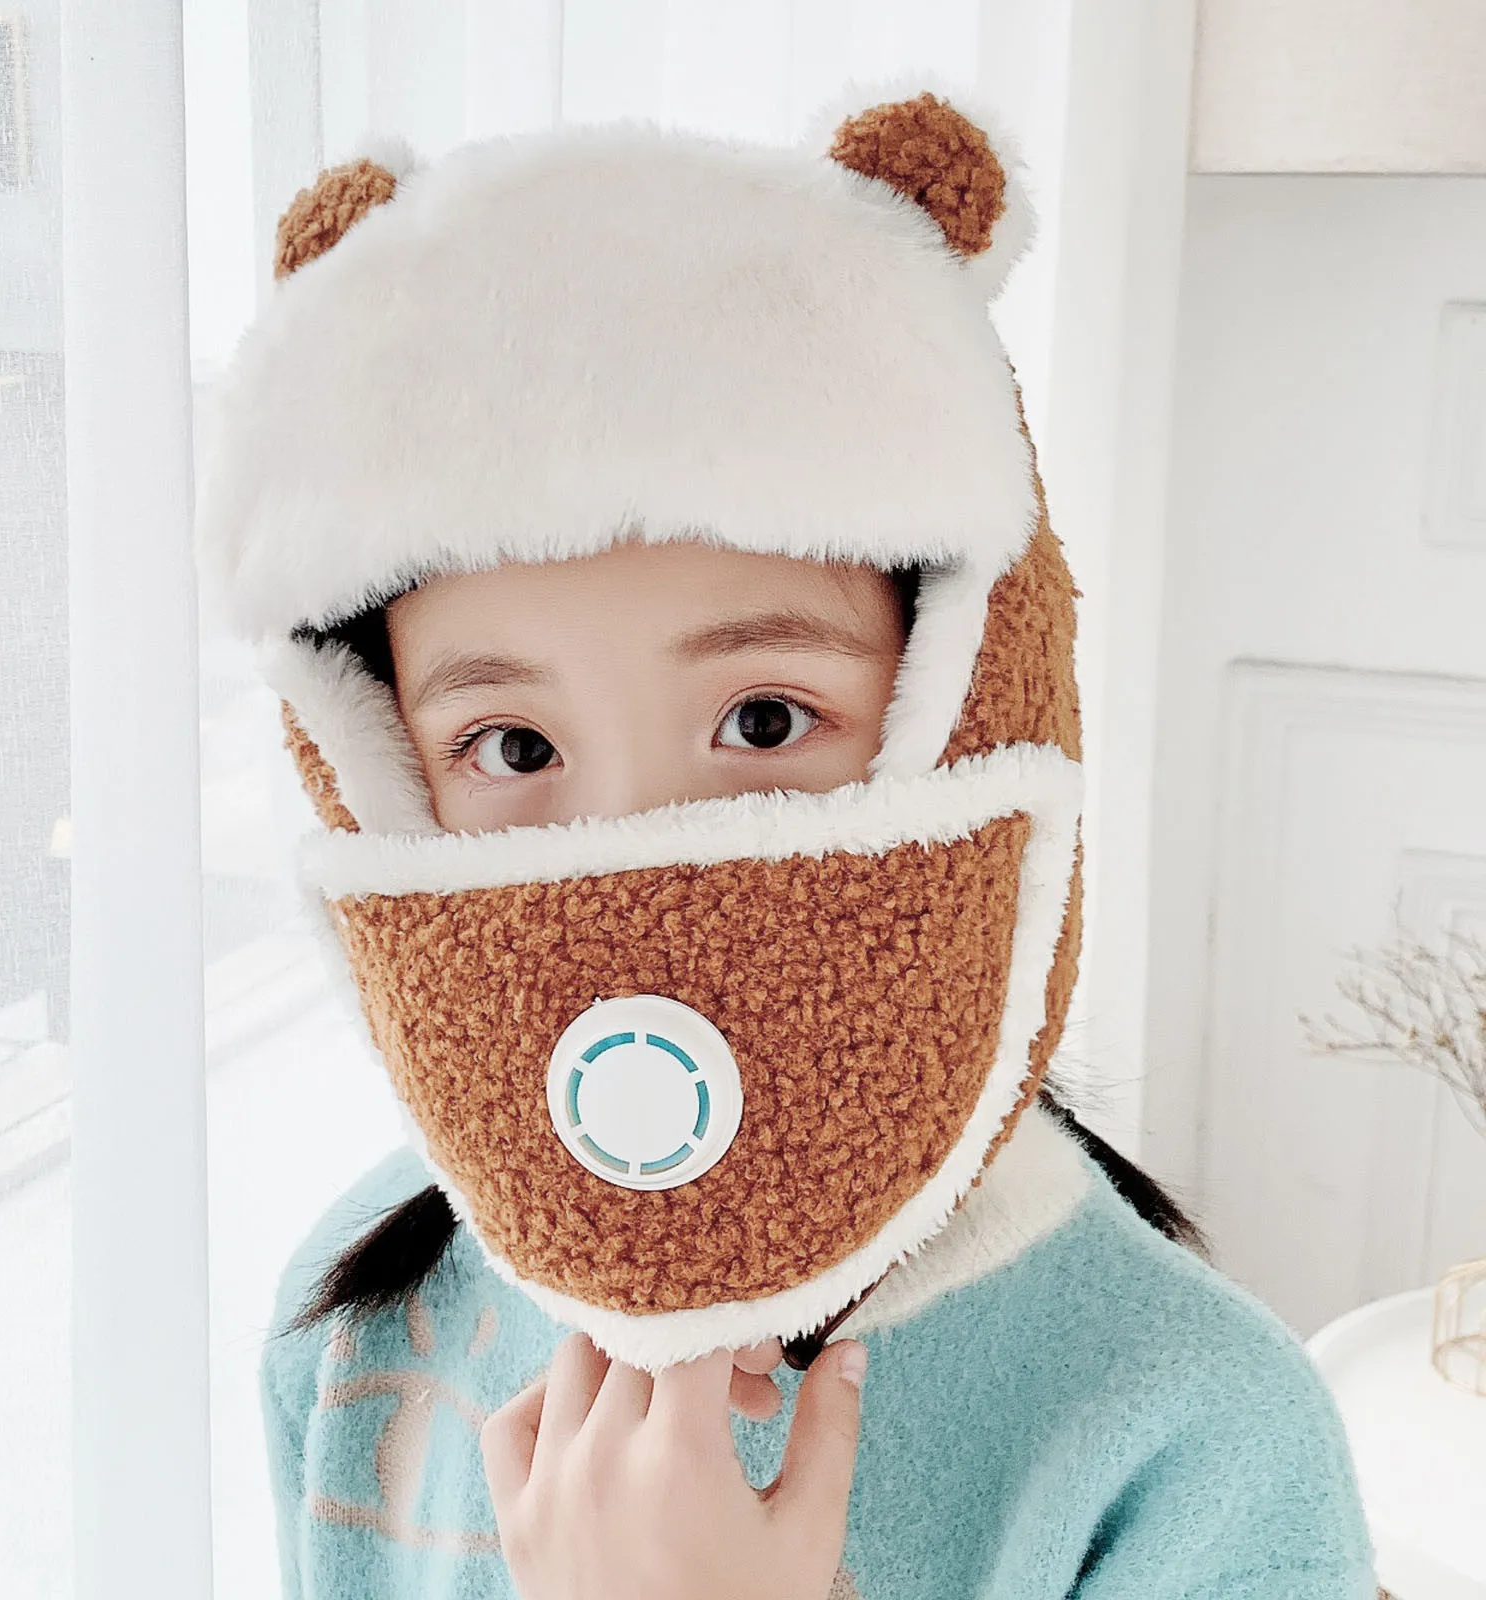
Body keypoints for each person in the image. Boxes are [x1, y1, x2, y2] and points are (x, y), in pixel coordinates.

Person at [194, 80, 1376, 1600]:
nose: (637, 866)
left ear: (965, 713)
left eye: (763, 722)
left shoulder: (1193, 1438)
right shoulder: (362, 1310)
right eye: (514, 749)